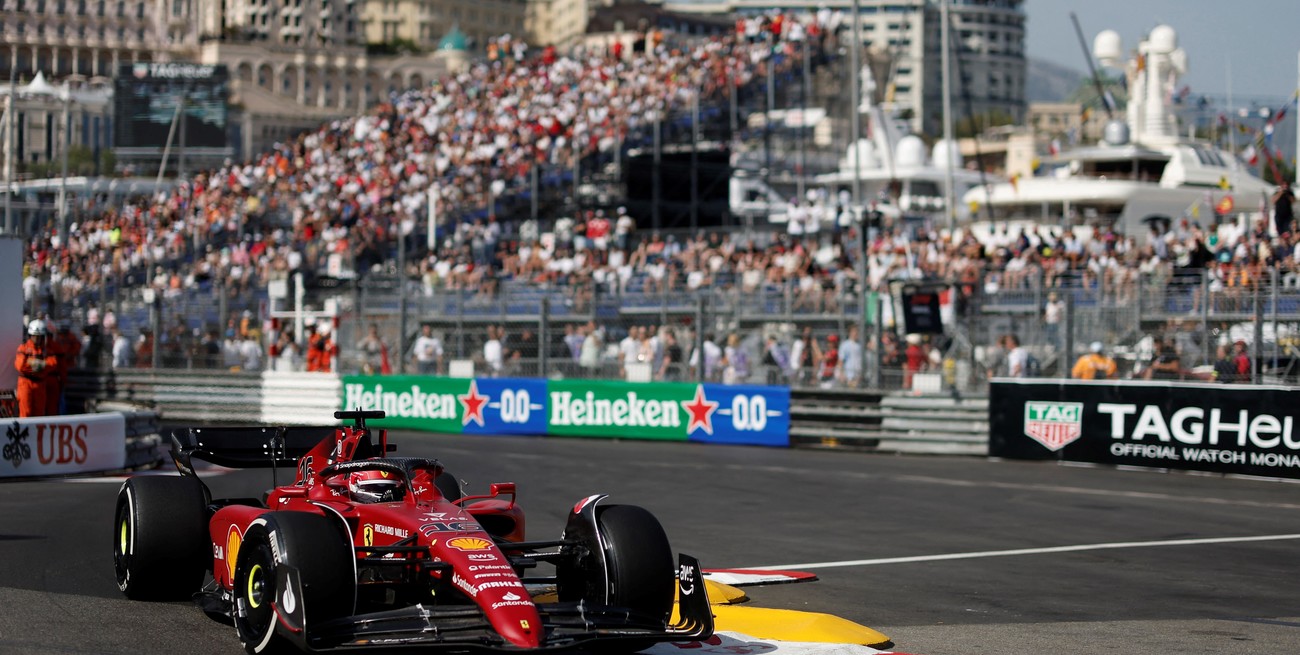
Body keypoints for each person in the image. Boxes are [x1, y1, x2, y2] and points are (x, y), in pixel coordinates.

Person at [14, 320, 58, 418]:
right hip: (25, 383)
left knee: (39, 414)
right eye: (34, 336)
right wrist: (41, 365)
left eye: (39, 336)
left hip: (40, 384)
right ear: (30, 335)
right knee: (26, 413)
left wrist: (30, 362)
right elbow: (20, 366)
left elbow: (53, 364)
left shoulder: (46, 350)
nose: (37, 339)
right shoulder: (23, 348)